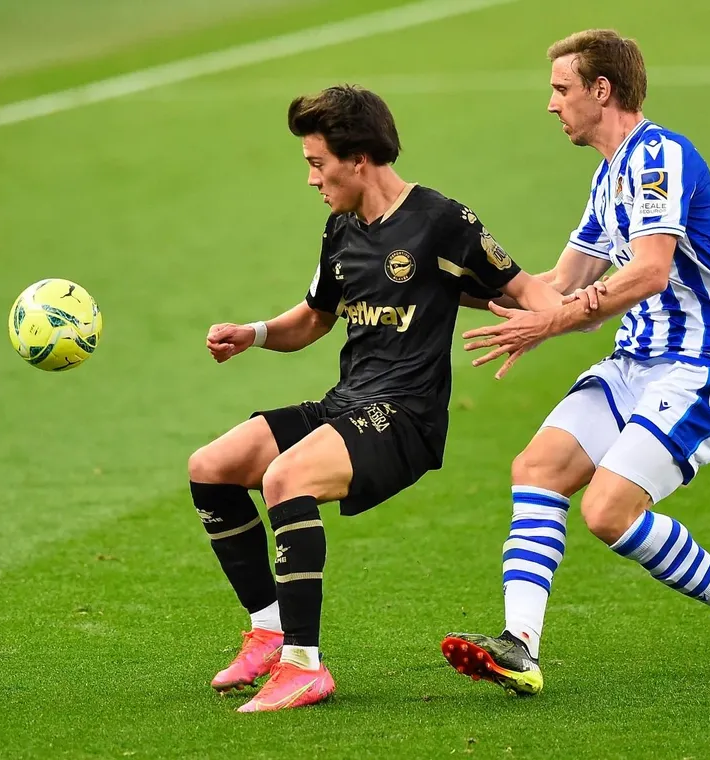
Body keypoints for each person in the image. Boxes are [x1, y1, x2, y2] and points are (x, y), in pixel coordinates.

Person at [188, 85, 558, 712]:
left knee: (285, 478)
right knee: (211, 467)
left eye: (317, 163)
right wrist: (253, 334)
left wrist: (548, 322)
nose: (312, 179)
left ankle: (303, 666)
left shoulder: (442, 221)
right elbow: (314, 318)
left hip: (406, 418)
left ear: (358, 159)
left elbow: (529, 290)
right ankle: (269, 633)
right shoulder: (342, 229)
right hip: (347, 403)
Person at [442, 29, 710, 696]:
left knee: (606, 511)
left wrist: (553, 320)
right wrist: (452, 290)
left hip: (699, 367)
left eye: (561, 89)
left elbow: (650, 271)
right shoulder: (609, 178)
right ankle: (519, 646)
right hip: (635, 363)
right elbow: (560, 285)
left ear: (601, 90)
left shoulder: (659, 157)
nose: (552, 104)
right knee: (537, 468)